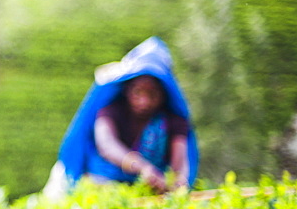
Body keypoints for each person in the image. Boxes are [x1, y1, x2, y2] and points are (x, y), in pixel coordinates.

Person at [43, 36, 198, 198]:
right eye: (137, 92)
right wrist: (142, 168)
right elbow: (107, 145)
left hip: (150, 193)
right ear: (127, 90)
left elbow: (180, 166)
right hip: (102, 183)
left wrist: (175, 184)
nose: (144, 102)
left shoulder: (172, 120)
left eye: (152, 94)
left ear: (164, 94)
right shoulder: (112, 110)